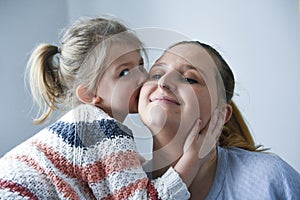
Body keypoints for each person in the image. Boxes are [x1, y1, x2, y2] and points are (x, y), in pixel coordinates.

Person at [0, 17, 201, 199]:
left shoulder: (86, 125)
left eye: (140, 64)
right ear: (89, 94)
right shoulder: (103, 130)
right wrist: (192, 158)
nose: (142, 77)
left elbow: (128, 176)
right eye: (124, 72)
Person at [138, 40, 300, 199]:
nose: (163, 82)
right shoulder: (120, 182)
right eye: (157, 74)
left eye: (189, 79)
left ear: (221, 114)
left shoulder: (270, 179)